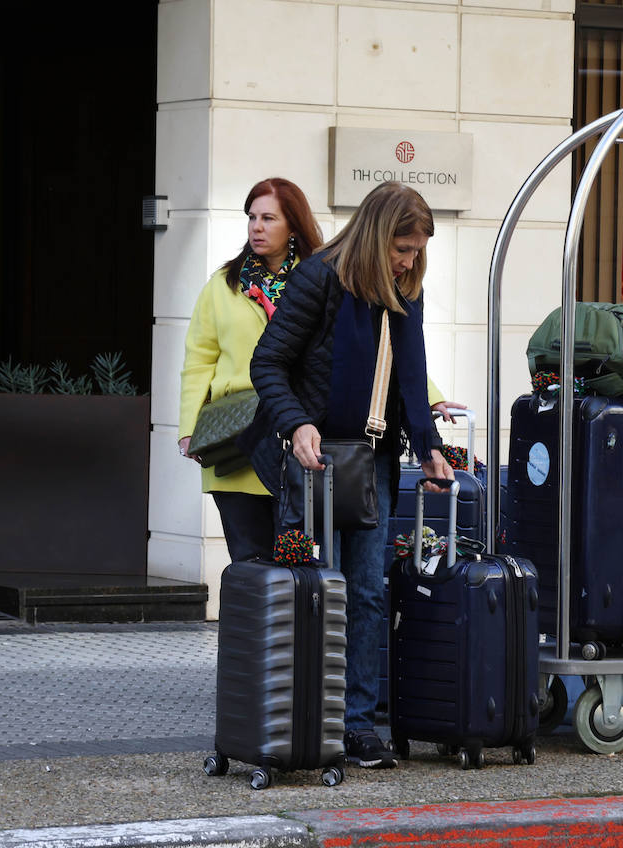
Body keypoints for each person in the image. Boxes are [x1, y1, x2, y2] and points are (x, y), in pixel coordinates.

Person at [248, 180, 454, 769]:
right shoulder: (319, 279)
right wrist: (297, 425)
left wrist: (430, 447)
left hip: (372, 463)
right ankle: (302, 720)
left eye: (416, 251)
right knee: (315, 593)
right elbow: (268, 363)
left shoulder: (404, 288)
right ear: (375, 235)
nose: (409, 260)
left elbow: (410, 378)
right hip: (313, 461)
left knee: (366, 593)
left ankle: (358, 726)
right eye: (401, 248)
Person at [178, 177, 324, 563]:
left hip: (298, 442)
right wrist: (190, 428)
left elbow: (364, 346)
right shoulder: (223, 285)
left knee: (296, 568)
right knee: (248, 566)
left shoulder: (322, 281)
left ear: (294, 225)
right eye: (252, 217)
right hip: (237, 440)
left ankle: (294, 628)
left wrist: (430, 397)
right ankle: (247, 627)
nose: (257, 227)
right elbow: (199, 359)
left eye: (269, 218)